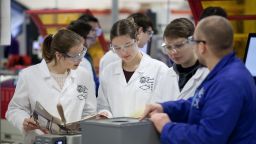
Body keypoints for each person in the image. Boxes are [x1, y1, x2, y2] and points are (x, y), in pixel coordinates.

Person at [141, 16, 256, 143]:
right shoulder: (223, 72)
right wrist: (165, 108)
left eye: (193, 41)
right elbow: (199, 103)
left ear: (202, 47)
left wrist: (166, 127)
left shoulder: (229, 81)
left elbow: (207, 138)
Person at [6, 29, 97, 144]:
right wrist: (23, 121)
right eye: (75, 56)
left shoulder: (84, 75)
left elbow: (90, 111)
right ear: (59, 55)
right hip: (39, 139)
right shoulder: (29, 75)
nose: (80, 59)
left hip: (74, 141)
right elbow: (15, 109)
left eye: (82, 53)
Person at [97, 19, 170, 118]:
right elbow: (103, 105)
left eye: (128, 45)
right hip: (115, 131)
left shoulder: (159, 69)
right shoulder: (108, 72)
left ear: (137, 38)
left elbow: (164, 106)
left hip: (147, 131)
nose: (123, 52)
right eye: (117, 48)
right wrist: (105, 113)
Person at [160, 18, 209, 100]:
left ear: (193, 41)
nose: (173, 52)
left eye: (179, 45)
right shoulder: (165, 76)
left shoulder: (208, 74)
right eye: (168, 47)